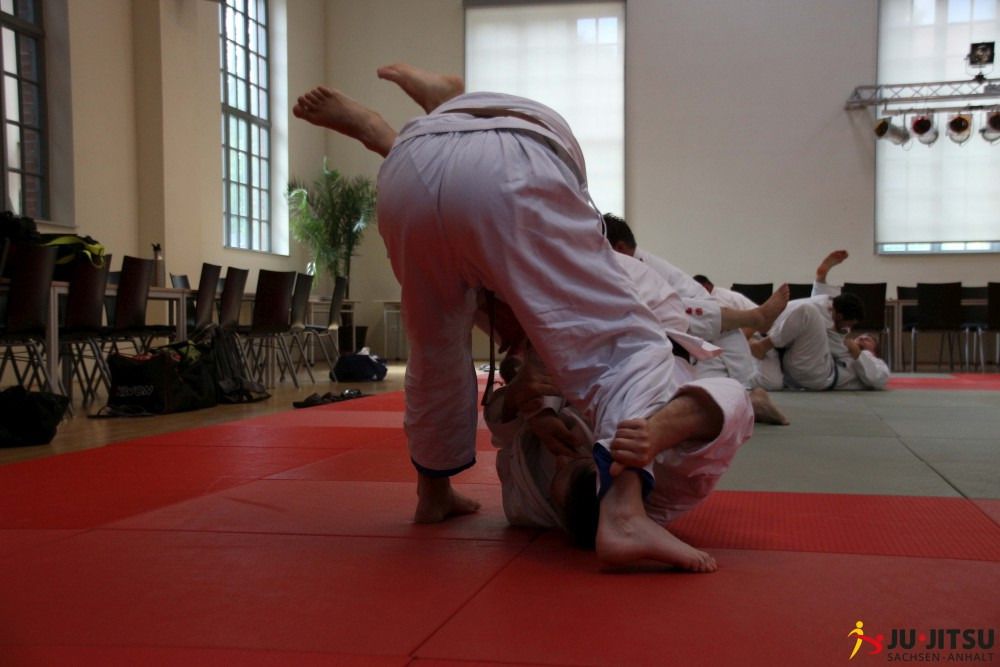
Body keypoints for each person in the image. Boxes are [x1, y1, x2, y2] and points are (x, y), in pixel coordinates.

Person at [293, 63, 729, 571]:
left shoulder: (529, 492)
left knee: (435, 351)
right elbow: (625, 353)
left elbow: (508, 388)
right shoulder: (621, 277)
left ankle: (433, 493)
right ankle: (624, 514)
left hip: (417, 169)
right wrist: (649, 431)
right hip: (501, 162)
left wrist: (534, 407)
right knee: (632, 349)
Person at [485, 347, 753, 550]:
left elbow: (504, 435)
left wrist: (529, 405)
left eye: (558, 472)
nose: (560, 460)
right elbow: (735, 398)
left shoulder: (528, 509)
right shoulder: (665, 490)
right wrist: (655, 433)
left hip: (578, 361)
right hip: (659, 355)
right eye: (575, 461)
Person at [602, 213, 790, 424]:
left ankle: (755, 318)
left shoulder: (631, 266)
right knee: (704, 391)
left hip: (695, 324)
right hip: (703, 341)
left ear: (618, 248)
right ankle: (751, 400)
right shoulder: (630, 264)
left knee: (664, 312)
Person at [749, 250, 890, 391]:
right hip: (792, 359)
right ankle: (755, 338)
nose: (863, 338)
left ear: (875, 352)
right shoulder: (842, 335)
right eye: (862, 337)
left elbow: (878, 379)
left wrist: (858, 353)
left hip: (820, 373)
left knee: (811, 312)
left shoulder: (872, 361)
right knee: (772, 384)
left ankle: (762, 336)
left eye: (869, 339)